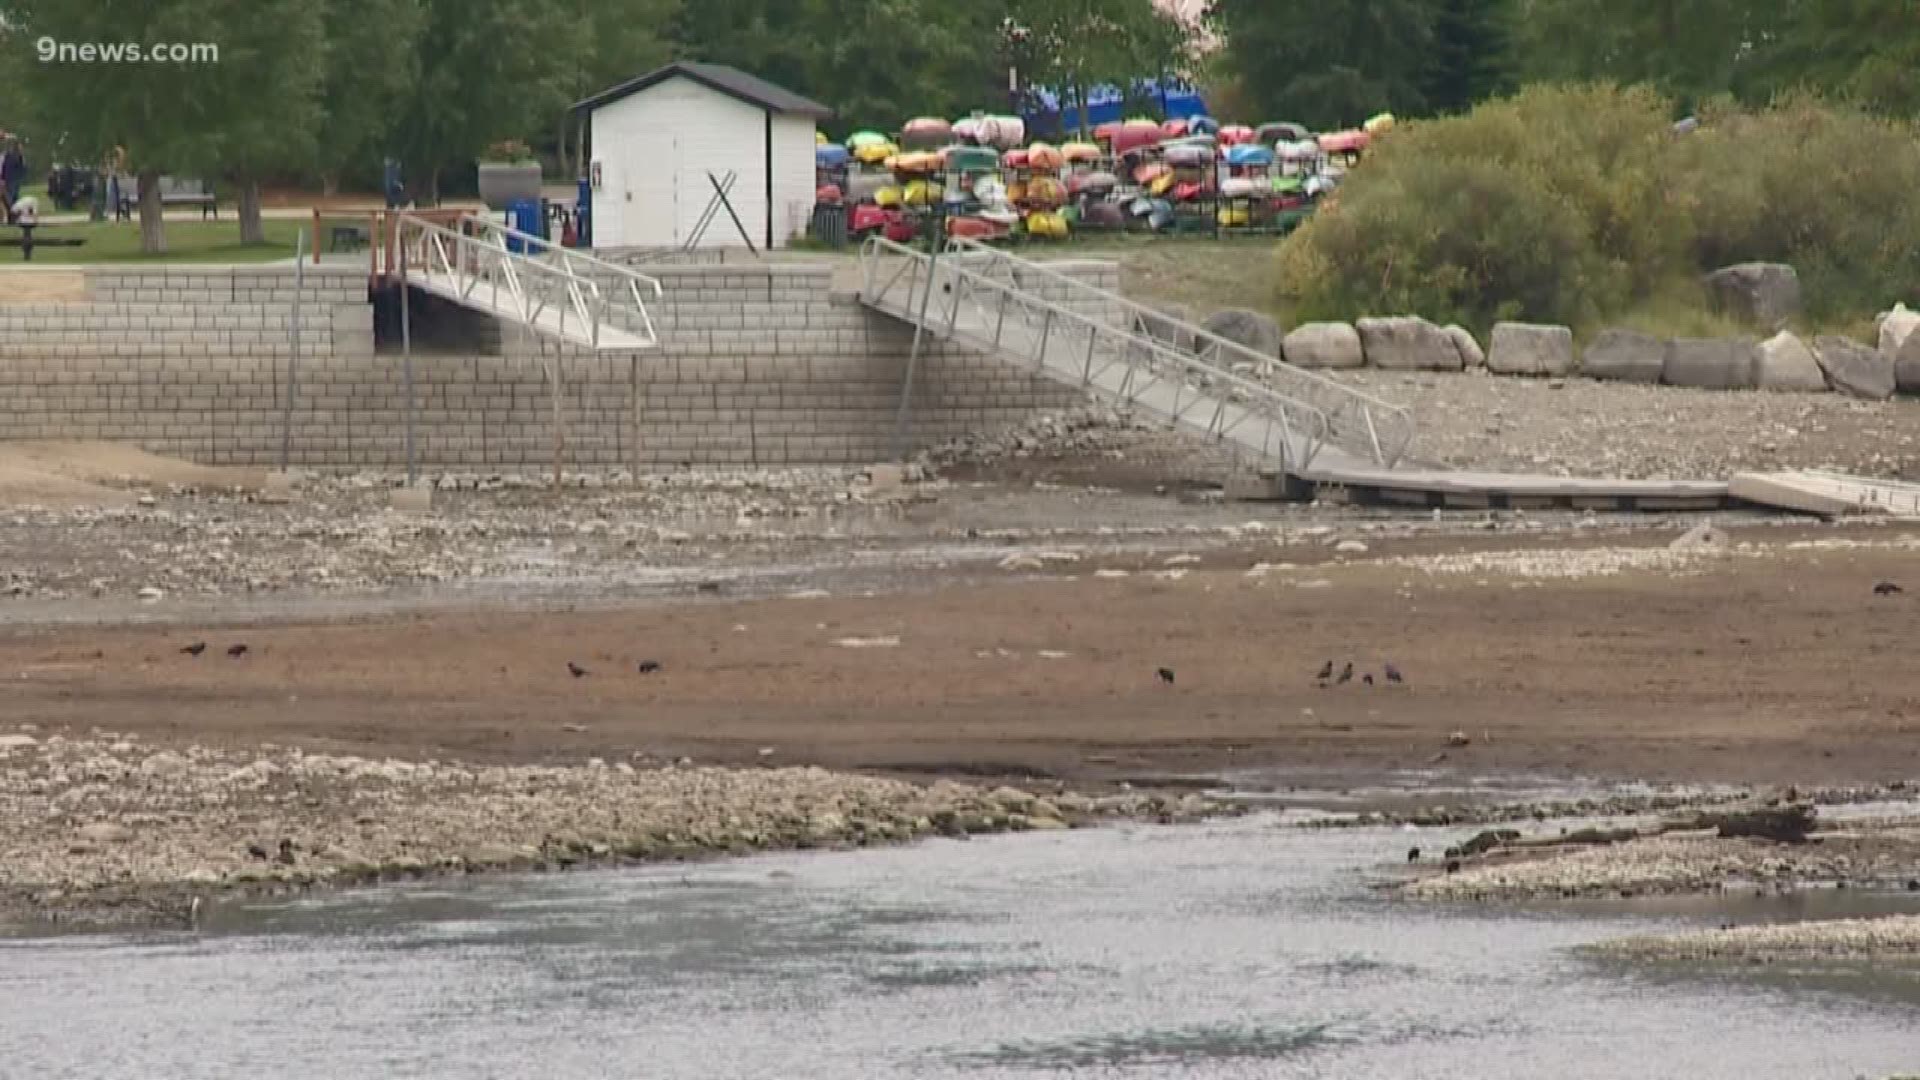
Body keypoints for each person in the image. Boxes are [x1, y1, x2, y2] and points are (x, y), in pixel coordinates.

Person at [11, 191, 38, 261]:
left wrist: (17, 219)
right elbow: (34, 214)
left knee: (26, 236)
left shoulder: (20, 203)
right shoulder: (32, 202)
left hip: (24, 222)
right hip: (27, 222)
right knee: (28, 236)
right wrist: (35, 221)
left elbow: (13, 212)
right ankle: (27, 251)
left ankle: (26, 250)